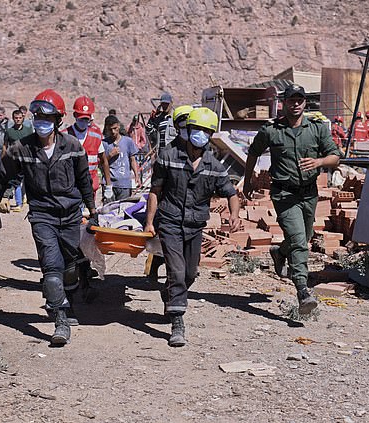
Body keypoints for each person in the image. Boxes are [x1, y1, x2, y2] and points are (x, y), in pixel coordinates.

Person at [0, 89, 96, 346]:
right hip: (42, 215)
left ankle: (66, 300)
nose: (41, 122)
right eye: (37, 117)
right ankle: (60, 320)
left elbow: (84, 181)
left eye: (47, 118)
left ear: (58, 120)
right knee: (51, 268)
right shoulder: (21, 148)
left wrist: (92, 210)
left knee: (70, 265)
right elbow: (2, 176)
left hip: (70, 215)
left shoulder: (72, 147)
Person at [144, 107, 240, 347]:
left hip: (195, 225)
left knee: (189, 274)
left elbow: (231, 193)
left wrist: (234, 214)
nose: (199, 134)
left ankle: (170, 294)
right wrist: (149, 223)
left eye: (205, 131)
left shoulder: (214, 166)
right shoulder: (168, 156)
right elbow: (155, 191)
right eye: (196, 129)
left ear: (210, 135)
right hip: (170, 221)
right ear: (188, 130)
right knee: (176, 271)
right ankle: (177, 322)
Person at [243, 84, 342, 315]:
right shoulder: (271, 130)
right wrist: (247, 181)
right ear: (283, 103)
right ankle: (302, 291)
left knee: (304, 237)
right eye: (291, 100)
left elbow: (335, 157)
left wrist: (318, 162)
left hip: (308, 194)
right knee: (299, 240)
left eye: (300, 100)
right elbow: (253, 152)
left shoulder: (317, 129)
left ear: (305, 103)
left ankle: (280, 252)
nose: (295, 104)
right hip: (284, 194)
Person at [146, 105, 194, 287]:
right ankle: (160, 274)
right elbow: (156, 189)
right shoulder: (168, 152)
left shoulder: (198, 150)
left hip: (188, 210)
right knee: (166, 244)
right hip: (170, 207)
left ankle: (171, 281)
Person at [63, 96, 113, 202]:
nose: (84, 121)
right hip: (71, 187)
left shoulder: (96, 136)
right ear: (75, 115)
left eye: (86, 119)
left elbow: (104, 161)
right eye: (81, 118)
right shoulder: (64, 136)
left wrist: (108, 185)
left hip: (90, 188)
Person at [102, 115, 140, 200]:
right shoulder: (104, 144)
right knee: (108, 210)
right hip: (109, 184)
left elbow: (132, 160)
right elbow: (101, 163)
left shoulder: (128, 141)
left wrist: (137, 175)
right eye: (110, 129)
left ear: (118, 126)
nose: (113, 132)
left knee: (123, 209)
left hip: (124, 184)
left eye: (115, 128)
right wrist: (110, 155)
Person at [4, 109, 33, 210]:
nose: (18, 120)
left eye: (20, 118)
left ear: (23, 118)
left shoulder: (28, 130)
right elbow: (5, 145)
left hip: (27, 159)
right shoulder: (9, 131)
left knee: (28, 180)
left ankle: (27, 199)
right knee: (16, 181)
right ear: (13, 119)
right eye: (16, 118)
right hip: (14, 160)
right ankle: (18, 203)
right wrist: (4, 157)